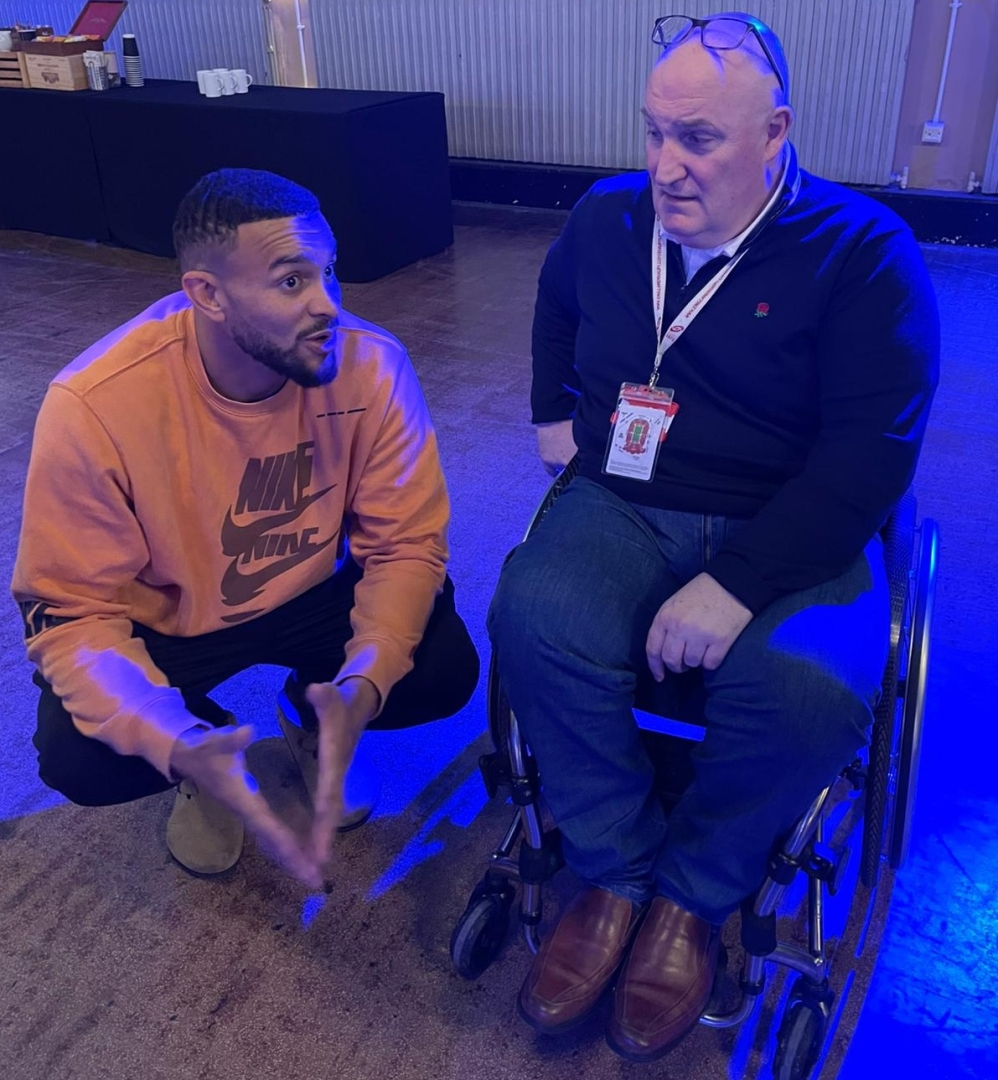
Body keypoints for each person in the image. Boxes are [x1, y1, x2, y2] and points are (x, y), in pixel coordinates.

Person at [488, 12, 938, 1063]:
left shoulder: (864, 254)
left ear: (773, 131)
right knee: (532, 614)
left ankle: (693, 899)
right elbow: (556, 302)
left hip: (792, 518)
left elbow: (871, 456)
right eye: (651, 134)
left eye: (696, 139)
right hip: (626, 496)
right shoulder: (604, 220)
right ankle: (613, 869)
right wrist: (548, 413)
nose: (663, 167)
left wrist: (734, 585)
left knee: (808, 688)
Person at [12, 168, 479, 887]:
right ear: (208, 294)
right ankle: (208, 754)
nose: (328, 304)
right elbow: (71, 615)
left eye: (330, 272)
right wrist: (176, 739)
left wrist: (364, 681)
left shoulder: (372, 364)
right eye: (292, 282)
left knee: (440, 669)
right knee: (83, 757)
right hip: (171, 618)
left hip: (314, 590)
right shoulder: (93, 404)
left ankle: (310, 716)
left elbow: (407, 544)